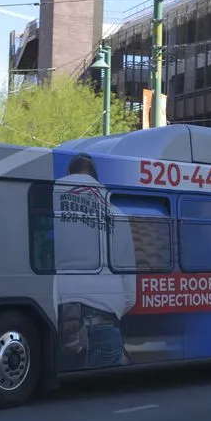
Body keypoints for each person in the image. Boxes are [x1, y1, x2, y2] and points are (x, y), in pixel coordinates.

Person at [51, 152, 137, 370]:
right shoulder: (116, 214)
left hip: (55, 325)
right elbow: (130, 291)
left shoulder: (45, 201)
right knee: (103, 398)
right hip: (104, 324)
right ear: (95, 178)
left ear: (69, 174)